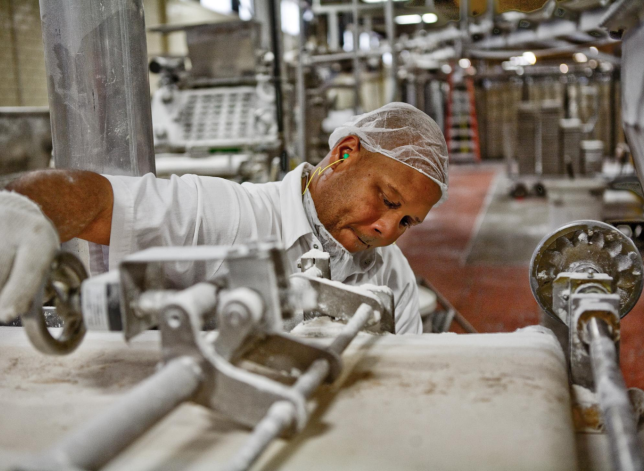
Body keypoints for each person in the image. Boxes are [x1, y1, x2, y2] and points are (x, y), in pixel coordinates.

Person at [0, 102, 448, 334]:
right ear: (344, 153)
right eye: (388, 201)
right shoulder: (228, 215)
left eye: (408, 222)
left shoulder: (394, 278)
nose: (387, 231)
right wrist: (19, 214)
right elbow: (94, 199)